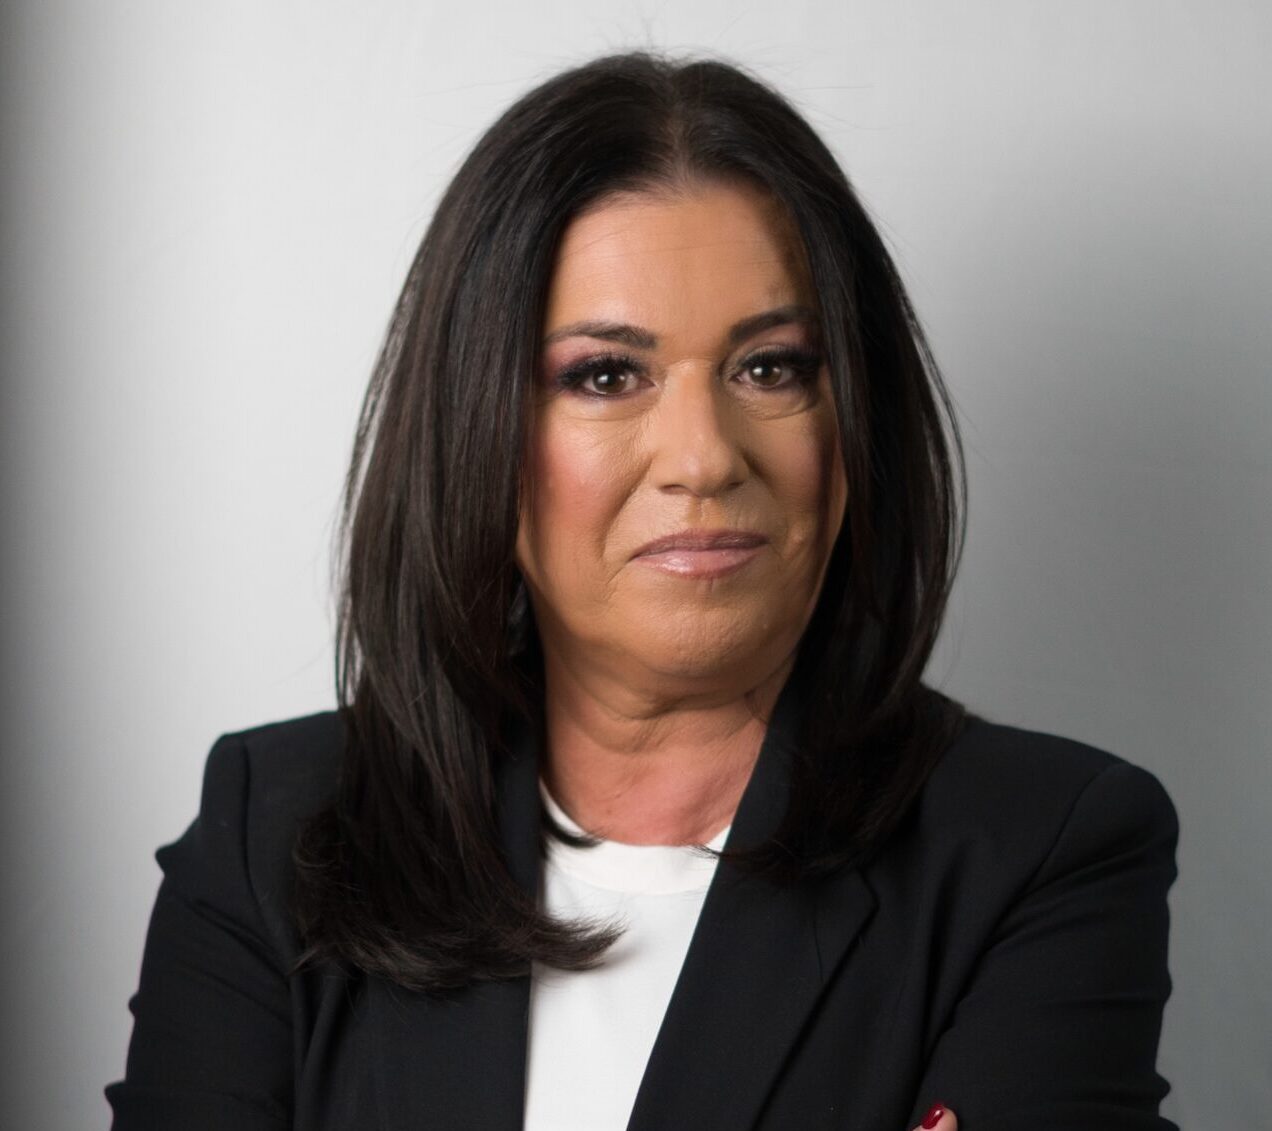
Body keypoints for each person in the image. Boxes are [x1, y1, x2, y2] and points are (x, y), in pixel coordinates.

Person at [106, 52, 1178, 1131]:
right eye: (605, 376)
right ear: (479, 433)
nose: (704, 458)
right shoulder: (275, 831)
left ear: (854, 419)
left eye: (773, 367)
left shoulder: (1041, 849)